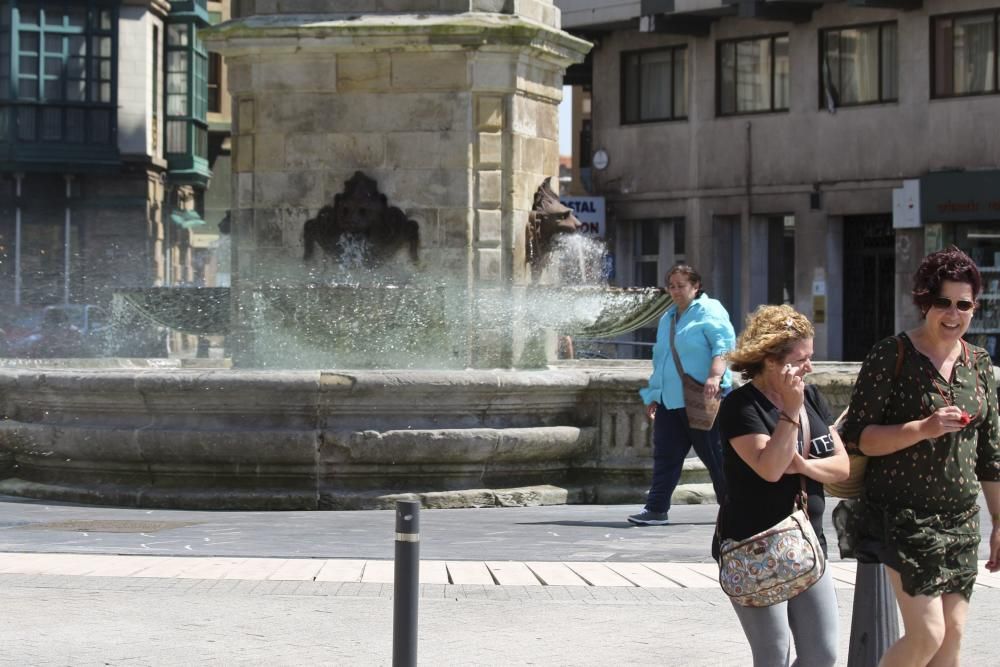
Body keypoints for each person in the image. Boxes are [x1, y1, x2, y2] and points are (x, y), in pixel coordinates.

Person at [839, 246, 1000, 667]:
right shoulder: (892, 355)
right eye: (943, 303)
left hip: (961, 521)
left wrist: (999, 522)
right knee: (928, 633)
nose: (953, 314)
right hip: (904, 516)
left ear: (974, 307)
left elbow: (991, 454)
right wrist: (924, 428)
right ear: (925, 301)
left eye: (963, 305)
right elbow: (860, 439)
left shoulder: (979, 364)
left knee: (953, 640)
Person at [715, 304, 849, 667]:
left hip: (807, 544)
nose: (809, 367)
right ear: (771, 360)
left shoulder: (813, 397)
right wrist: (790, 410)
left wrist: (804, 465)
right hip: (753, 545)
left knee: (822, 654)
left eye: (811, 357)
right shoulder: (740, 408)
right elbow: (771, 469)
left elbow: (842, 467)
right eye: (801, 359)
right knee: (773, 653)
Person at [630, 264, 735, 525]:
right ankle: (656, 509)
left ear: (696, 286)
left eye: (681, 285)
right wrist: (654, 394)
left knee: (716, 457)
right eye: (671, 286)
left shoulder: (710, 310)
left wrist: (715, 376)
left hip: (702, 397)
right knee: (665, 456)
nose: (675, 291)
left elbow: (724, 345)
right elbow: (661, 358)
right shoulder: (668, 317)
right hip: (670, 400)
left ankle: (734, 507)